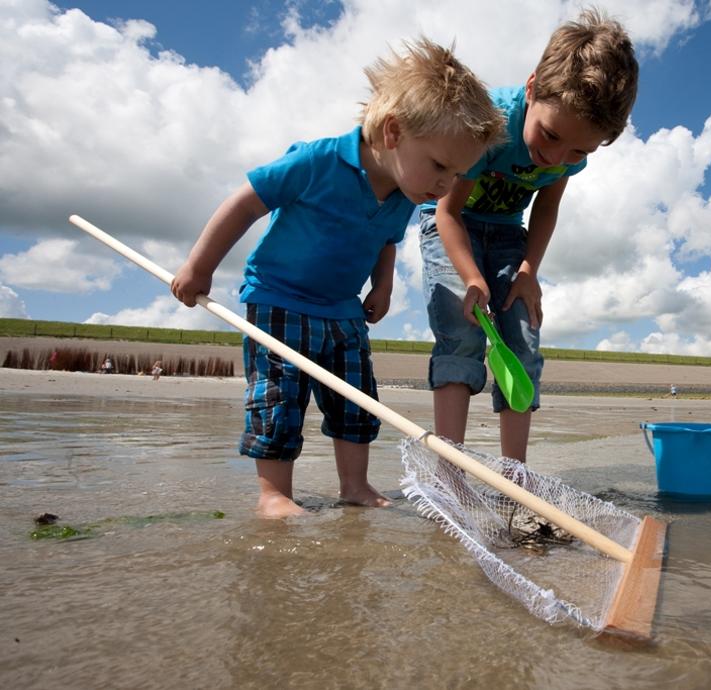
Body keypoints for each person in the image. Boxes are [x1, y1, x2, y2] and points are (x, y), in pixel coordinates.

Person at [170, 39, 505, 518]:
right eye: (439, 165)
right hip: (277, 301)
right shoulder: (317, 161)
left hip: (344, 311)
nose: (447, 185)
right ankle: (274, 494)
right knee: (277, 398)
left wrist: (384, 286)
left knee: (356, 401)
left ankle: (355, 484)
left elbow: (386, 240)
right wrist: (199, 266)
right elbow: (246, 201)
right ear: (393, 132)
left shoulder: (406, 195)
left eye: (457, 173)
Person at [419, 8, 638, 463]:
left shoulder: (569, 154)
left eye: (578, 150)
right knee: (462, 330)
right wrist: (472, 278)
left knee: (521, 333)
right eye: (550, 135)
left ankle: (514, 477)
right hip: (451, 222)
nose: (554, 157)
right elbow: (447, 210)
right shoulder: (491, 125)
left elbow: (547, 206)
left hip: (506, 235)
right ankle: (451, 470)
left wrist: (527, 271)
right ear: (533, 87)